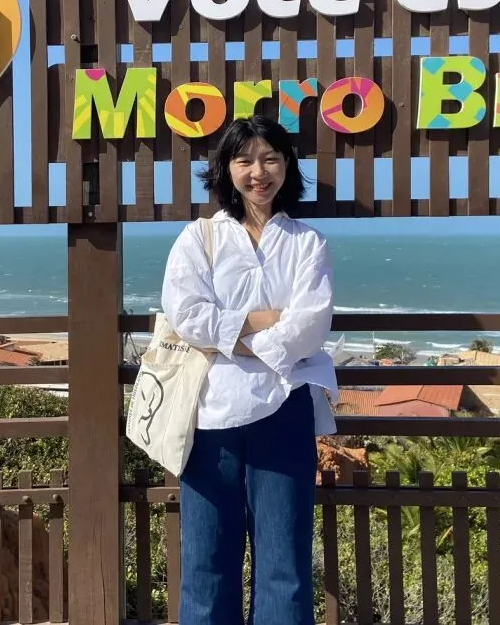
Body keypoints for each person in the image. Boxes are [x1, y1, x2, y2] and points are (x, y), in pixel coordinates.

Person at [160, 115, 338, 625]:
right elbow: (186, 315)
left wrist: (230, 337)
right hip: (210, 412)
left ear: (287, 166)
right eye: (245, 160)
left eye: (270, 159)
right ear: (227, 169)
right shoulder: (199, 238)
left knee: (285, 562)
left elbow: (310, 324)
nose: (259, 172)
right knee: (205, 560)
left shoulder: (307, 242)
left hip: (285, 407)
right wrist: (265, 322)